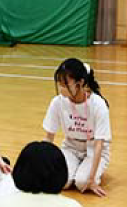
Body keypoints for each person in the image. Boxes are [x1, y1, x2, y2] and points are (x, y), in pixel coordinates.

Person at [43, 58, 111, 197]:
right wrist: (42, 165)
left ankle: (90, 171)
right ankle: (77, 167)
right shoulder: (57, 103)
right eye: (59, 83)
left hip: (94, 148)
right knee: (63, 182)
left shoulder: (98, 104)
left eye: (65, 84)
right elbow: (49, 137)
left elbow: (99, 144)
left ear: (80, 84)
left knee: (82, 183)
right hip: (71, 147)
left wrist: (92, 179)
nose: (61, 87)